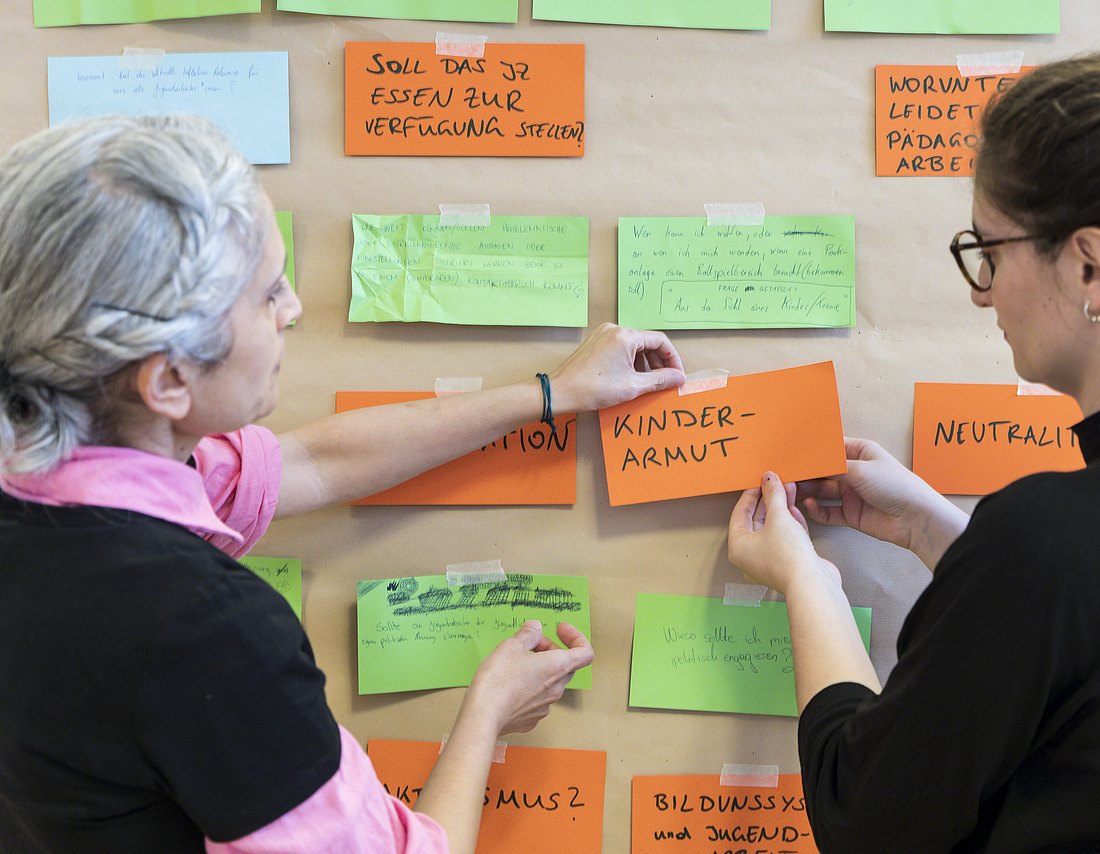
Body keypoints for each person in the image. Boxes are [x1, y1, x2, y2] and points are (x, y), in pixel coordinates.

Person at [0, 114, 685, 853]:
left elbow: (313, 464)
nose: (294, 308)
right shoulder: (203, 632)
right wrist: (487, 712)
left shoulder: (56, 477)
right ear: (168, 379)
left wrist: (552, 394)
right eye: (267, 295)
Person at [727, 48, 1100, 852]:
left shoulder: (1051, 540)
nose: (981, 291)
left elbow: (863, 815)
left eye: (990, 250)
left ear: (1091, 267)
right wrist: (934, 531)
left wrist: (807, 581)